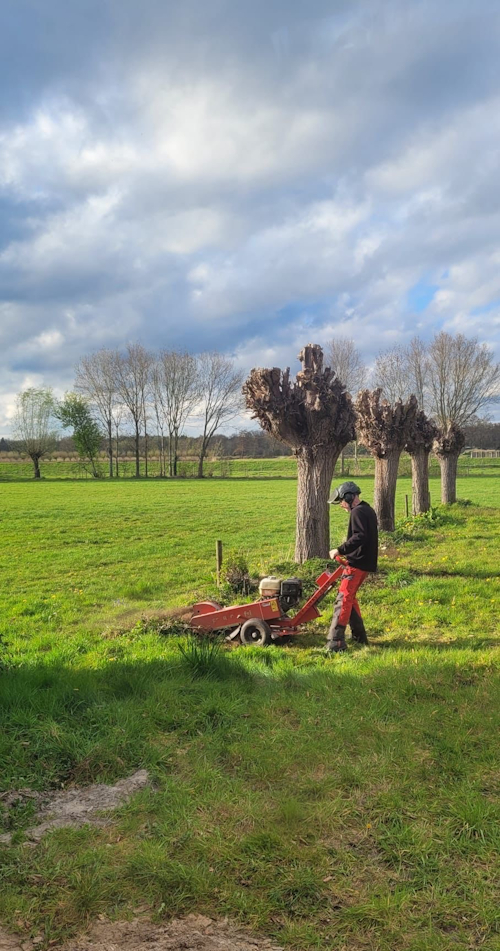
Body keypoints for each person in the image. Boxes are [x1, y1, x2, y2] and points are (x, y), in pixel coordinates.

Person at [326, 481, 378, 653]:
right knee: (351, 598)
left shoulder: (358, 512)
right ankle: (359, 636)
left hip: (357, 564)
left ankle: (335, 643)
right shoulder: (367, 510)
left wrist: (339, 550)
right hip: (362, 563)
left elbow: (359, 537)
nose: (341, 505)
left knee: (343, 599)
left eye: (341, 500)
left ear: (349, 497)